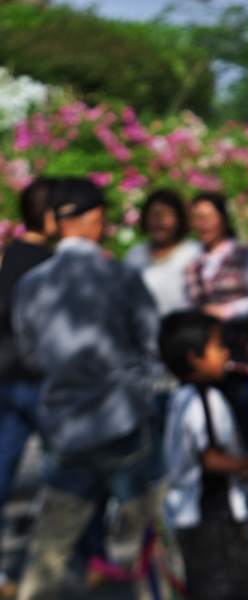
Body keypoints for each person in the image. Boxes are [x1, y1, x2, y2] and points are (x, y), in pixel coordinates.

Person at [12, 178, 165, 600]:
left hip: (64, 425)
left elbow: (30, 354)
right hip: (123, 419)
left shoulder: (31, 284)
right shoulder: (120, 276)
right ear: (96, 219)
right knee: (151, 541)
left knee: (51, 544)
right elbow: (153, 342)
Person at [159, 311, 248, 600]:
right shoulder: (199, 399)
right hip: (213, 521)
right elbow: (210, 458)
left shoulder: (180, 399)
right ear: (194, 356)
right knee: (225, 589)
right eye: (218, 346)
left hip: (199, 520)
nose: (226, 352)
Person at [0, 178, 57, 596]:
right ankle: (89, 557)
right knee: (71, 470)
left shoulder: (14, 253)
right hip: (30, 380)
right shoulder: (33, 258)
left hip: (11, 378)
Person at [186, 192, 248, 458]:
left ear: (222, 219)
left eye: (207, 217)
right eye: (197, 218)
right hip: (205, 362)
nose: (202, 224)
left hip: (239, 358)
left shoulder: (244, 255)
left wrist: (226, 311)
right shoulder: (193, 263)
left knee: (247, 424)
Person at [124, 189, 202, 316]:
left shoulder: (194, 253)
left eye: (167, 214)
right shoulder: (135, 255)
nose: (160, 221)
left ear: (179, 219)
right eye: (154, 215)